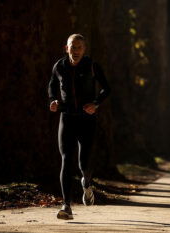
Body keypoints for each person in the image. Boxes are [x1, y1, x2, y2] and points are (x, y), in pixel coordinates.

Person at [48, 33, 111, 220]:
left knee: (84, 162)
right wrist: (53, 100)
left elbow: (106, 88)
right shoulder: (59, 66)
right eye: (72, 47)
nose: (75, 51)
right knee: (66, 160)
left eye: (79, 48)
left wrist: (96, 104)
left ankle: (87, 182)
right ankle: (66, 206)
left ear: (84, 50)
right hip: (67, 117)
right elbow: (51, 86)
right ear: (65, 48)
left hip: (87, 119)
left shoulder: (92, 66)